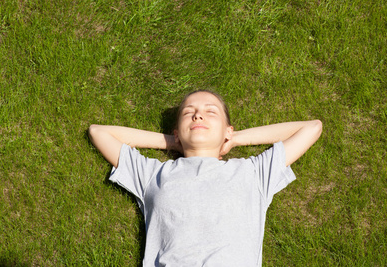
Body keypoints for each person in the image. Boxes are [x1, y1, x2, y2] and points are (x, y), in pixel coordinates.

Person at [89, 90, 322, 267]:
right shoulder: (153, 175)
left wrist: (235, 138)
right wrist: (172, 142)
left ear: (227, 130)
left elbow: (312, 128)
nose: (198, 114)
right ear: (177, 131)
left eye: (211, 112)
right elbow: (99, 132)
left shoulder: (253, 173)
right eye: (189, 112)